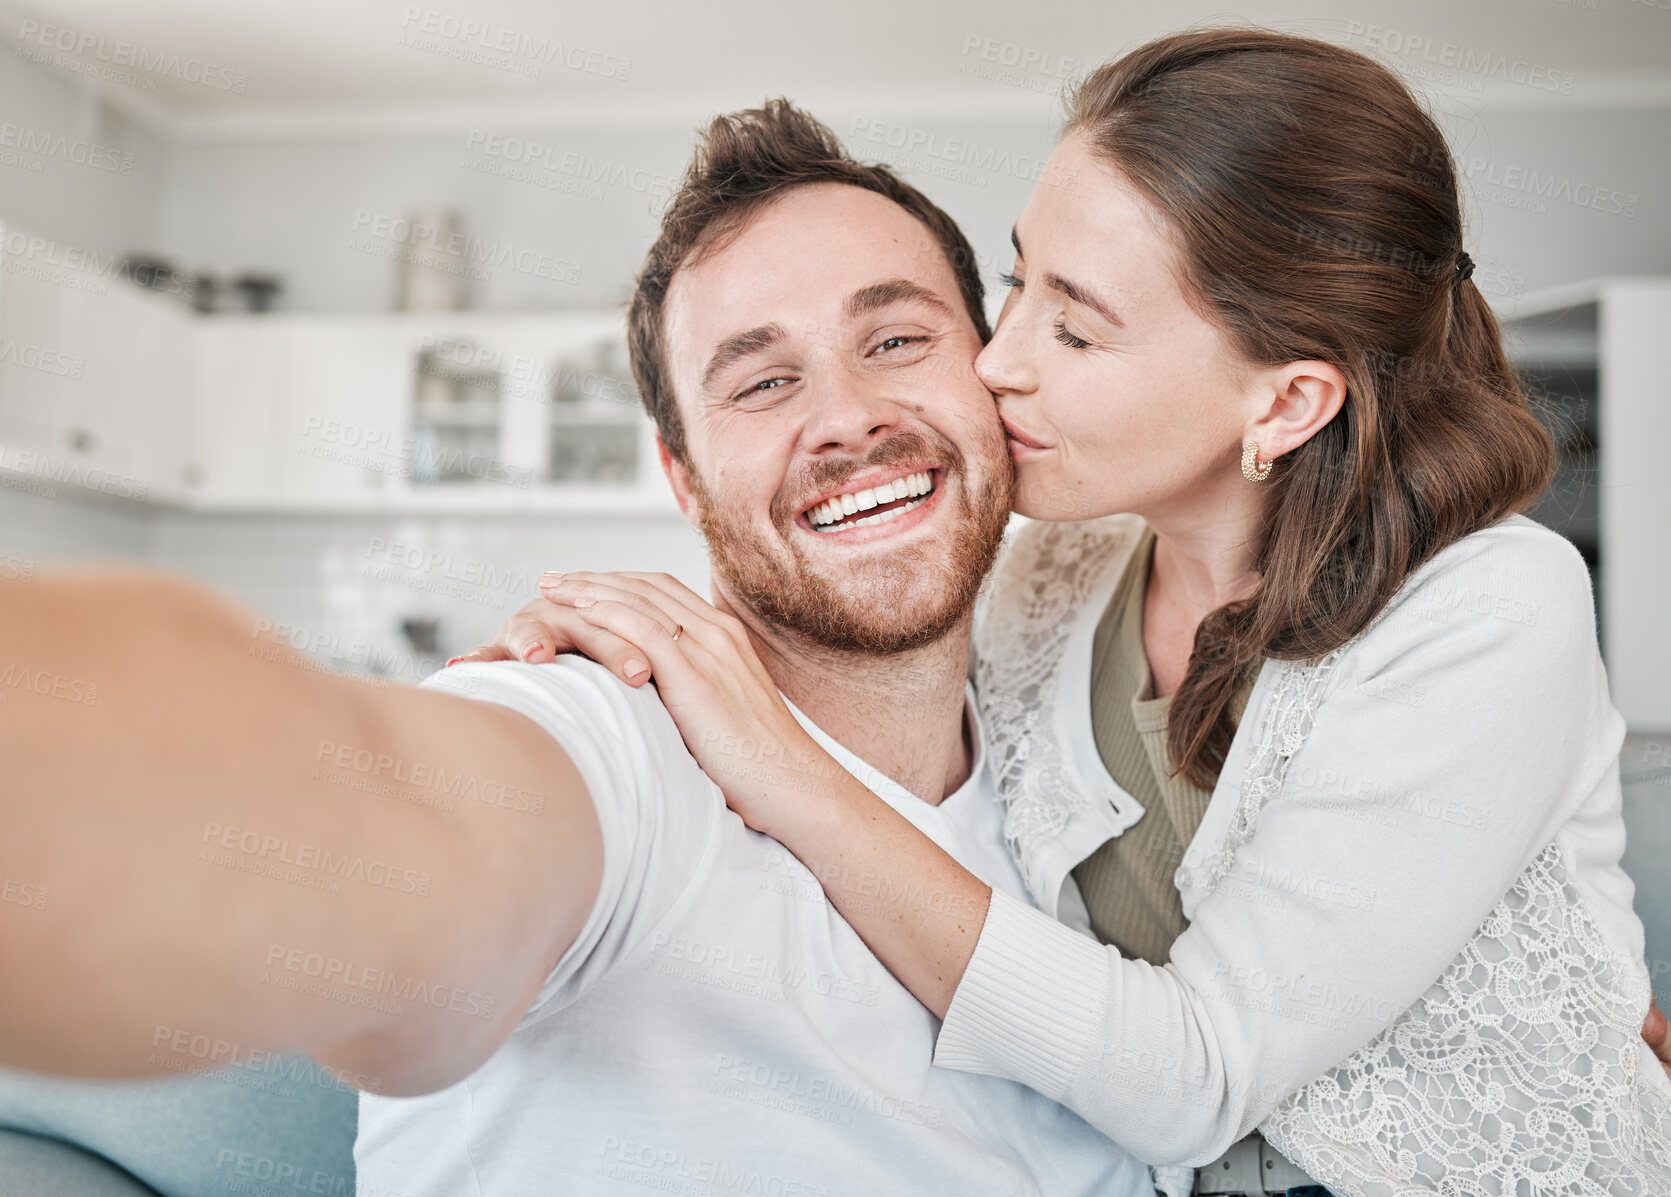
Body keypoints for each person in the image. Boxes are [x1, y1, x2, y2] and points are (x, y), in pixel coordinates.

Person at [460, 29, 1671, 1197]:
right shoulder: (1049, 579)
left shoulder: (1489, 606)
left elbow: (1195, 1076)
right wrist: (570, 677)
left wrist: (774, 765)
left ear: (1287, 400)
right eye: (1017, 281)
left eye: (1077, 327)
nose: (995, 362)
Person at [0, 104, 1158, 1195]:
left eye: (897, 338)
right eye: (762, 381)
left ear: (997, 375)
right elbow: (366, 833)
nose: (848, 417)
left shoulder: (1076, 764)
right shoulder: (612, 736)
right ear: (684, 483)